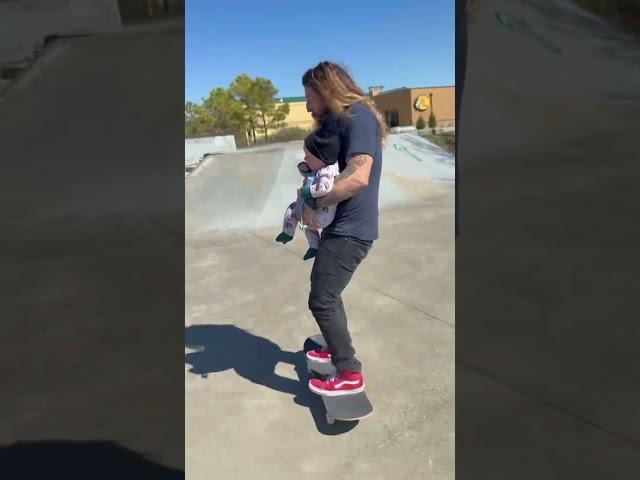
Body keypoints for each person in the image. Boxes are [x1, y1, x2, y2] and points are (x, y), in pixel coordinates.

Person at [300, 61, 387, 397]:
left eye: (310, 97)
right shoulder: (343, 122)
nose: (308, 105)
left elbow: (359, 176)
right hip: (344, 227)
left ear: (326, 91)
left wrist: (315, 202)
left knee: (321, 299)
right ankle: (337, 351)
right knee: (328, 295)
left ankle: (349, 372)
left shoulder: (358, 116)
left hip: (352, 230)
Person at [275, 115, 342, 261]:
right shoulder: (317, 168)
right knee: (293, 212)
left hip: (320, 214)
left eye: (308, 156)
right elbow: (309, 173)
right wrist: (305, 168)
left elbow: (325, 187)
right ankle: (298, 238)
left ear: (321, 157)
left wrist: (307, 191)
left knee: (307, 225)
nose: (305, 158)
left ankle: (305, 240)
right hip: (309, 209)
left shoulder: (328, 171)